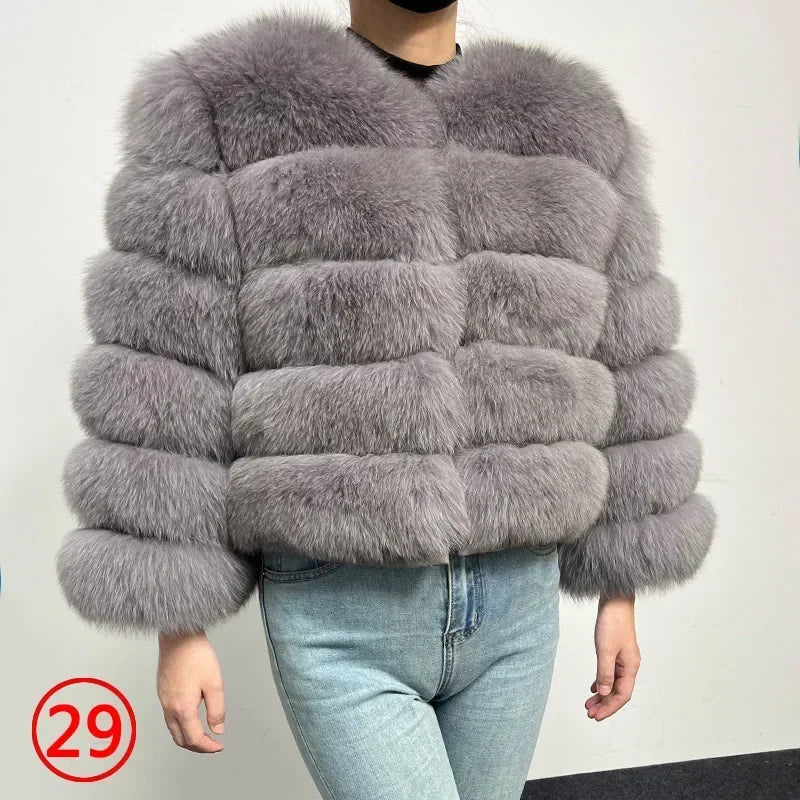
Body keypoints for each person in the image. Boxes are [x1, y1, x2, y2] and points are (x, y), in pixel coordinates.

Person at [56, 1, 715, 798]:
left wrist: (622, 586)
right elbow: (163, 371)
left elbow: (631, 356)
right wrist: (177, 624)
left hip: (519, 602)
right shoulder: (227, 106)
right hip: (340, 607)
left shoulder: (577, 124)